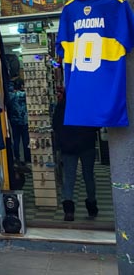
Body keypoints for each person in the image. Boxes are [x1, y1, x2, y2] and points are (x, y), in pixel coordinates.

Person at [52, 87, 98, 222]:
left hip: (68, 146)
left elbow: (56, 125)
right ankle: (92, 206)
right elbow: (96, 124)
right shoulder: (87, 104)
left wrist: (63, 139)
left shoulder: (62, 106)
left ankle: (69, 211)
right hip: (87, 144)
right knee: (88, 176)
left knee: (69, 178)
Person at [7, 78, 30, 164]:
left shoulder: (11, 96)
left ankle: (17, 157)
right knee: (25, 140)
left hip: (14, 121)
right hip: (24, 121)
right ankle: (27, 158)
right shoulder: (23, 95)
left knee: (16, 140)